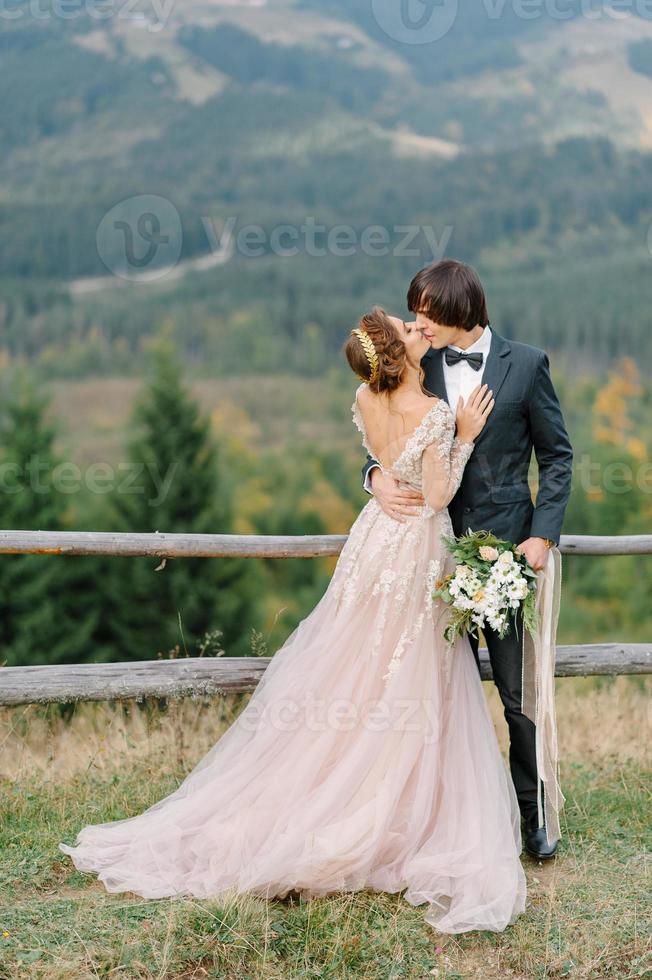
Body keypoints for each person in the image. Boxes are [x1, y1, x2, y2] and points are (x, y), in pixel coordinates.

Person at [59, 307, 528, 934]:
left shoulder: (366, 396)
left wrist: (376, 477)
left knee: (357, 671)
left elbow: (385, 464)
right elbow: (439, 496)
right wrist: (463, 435)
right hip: (415, 548)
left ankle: (361, 790)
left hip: (372, 546)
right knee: (406, 675)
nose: (419, 329)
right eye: (407, 327)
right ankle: (387, 808)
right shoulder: (437, 412)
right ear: (397, 352)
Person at [363, 260, 573, 859]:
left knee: (517, 694)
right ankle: (431, 821)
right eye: (416, 309)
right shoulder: (414, 363)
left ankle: (531, 817)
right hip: (427, 557)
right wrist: (373, 475)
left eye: (427, 310)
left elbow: (557, 457)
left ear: (460, 310)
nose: (417, 320)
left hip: (507, 552)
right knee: (428, 691)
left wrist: (543, 535)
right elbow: (382, 435)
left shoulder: (527, 365)